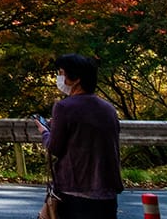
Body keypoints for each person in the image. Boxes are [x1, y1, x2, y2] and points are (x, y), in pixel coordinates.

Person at [39, 53, 122, 219]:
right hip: (107, 190)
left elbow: (55, 147)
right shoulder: (108, 108)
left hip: (75, 188)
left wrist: (44, 131)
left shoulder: (64, 107)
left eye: (61, 74)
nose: (59, 78)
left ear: (76, 79)